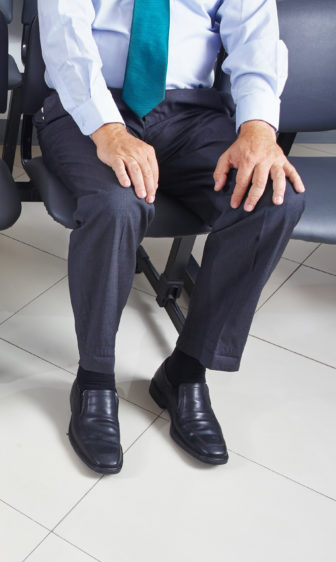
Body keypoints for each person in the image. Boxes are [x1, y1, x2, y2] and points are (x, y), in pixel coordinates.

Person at [37, 0, 305, 473]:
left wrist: (258, 127)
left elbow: (256, 36)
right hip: (91, 104)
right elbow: (66, 40)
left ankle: (185, 371)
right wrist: (109, 130)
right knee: (116, 204)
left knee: (271, 200)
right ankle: (95, 377)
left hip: (192, 113)